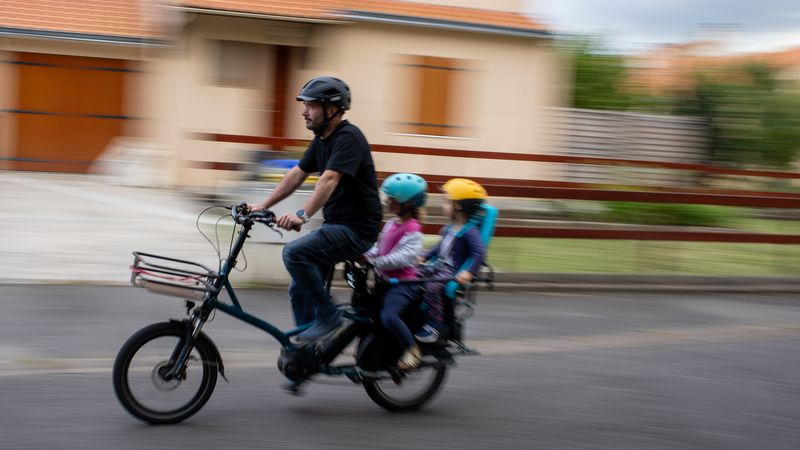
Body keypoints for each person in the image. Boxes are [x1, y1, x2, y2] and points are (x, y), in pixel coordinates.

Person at [249, 76, 382, 345]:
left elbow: (329, 179)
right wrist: (262, 206)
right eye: (305, 105)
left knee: (294, 253)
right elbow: (297, 174)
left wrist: (302, 215)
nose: (304, 111)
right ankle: (305, 350)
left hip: (357, 230)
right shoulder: (321, 140)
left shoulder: (349, 137)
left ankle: (329, 316)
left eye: (311, 106)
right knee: (299, 289)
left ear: (331, 109)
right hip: (336, 227)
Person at [363, 173, 427, 370]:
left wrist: (376, 263)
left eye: (392, 199)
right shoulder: (391, 223)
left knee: (389, 317)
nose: (387, 202)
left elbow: (404, 258)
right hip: (386, 281)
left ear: (407, 203)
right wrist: (364, 254)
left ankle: (412, 350)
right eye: (387, 198)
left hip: (404, 285)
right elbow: (380, 248)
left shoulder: (413, 228)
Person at [415, 178, 488, 343]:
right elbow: (438, 247)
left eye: (447, 202)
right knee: (412, 276)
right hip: (439, 266)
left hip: (451, 271)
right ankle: (415, 318)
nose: (443, 205)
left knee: (432, 286)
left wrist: (468, 272)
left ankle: (435, 325)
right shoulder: (449, 228)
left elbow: (479, 252)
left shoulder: (469, 231)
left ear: (459, 206)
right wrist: (423, 257)